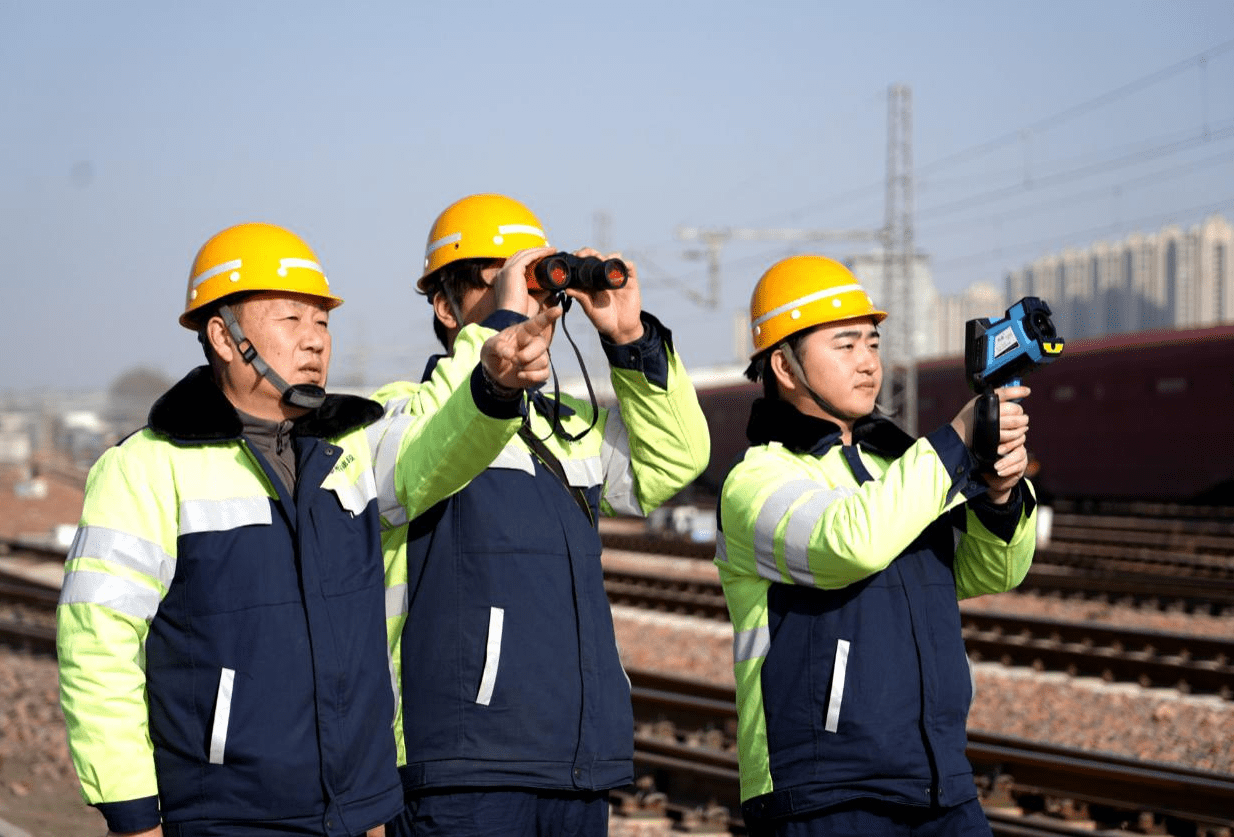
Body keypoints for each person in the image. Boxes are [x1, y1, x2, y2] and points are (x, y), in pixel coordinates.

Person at [367, 193, 711, 837]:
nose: (527, 300)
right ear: (445, 306)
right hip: (461, 765)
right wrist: (495, 341)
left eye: (533, 282)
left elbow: (674, 462)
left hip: (574, 762)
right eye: (497, 280)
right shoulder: (398, 413)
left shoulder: (569, 428)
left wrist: (630, 340)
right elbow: (414, 467)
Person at [56, 223, 404, 837]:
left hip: (356, 811)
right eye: (290, 319)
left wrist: (373, 804)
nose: (315, 339)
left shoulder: (348, 454)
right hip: (223, 816)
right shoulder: (146, 467)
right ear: (223, 336)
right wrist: (132, 812)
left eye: (322, 321)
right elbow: (97, 646)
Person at [714, 255, 1036, 836]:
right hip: (822, 790)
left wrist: (999, 496)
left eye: (872, 343)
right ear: (784, 366)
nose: (868, 362)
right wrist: (956, 441)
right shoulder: (757, 481)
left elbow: (987, 573)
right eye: (845, 345)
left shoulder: (897, 467)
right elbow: (850, 544)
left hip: (938, 779)